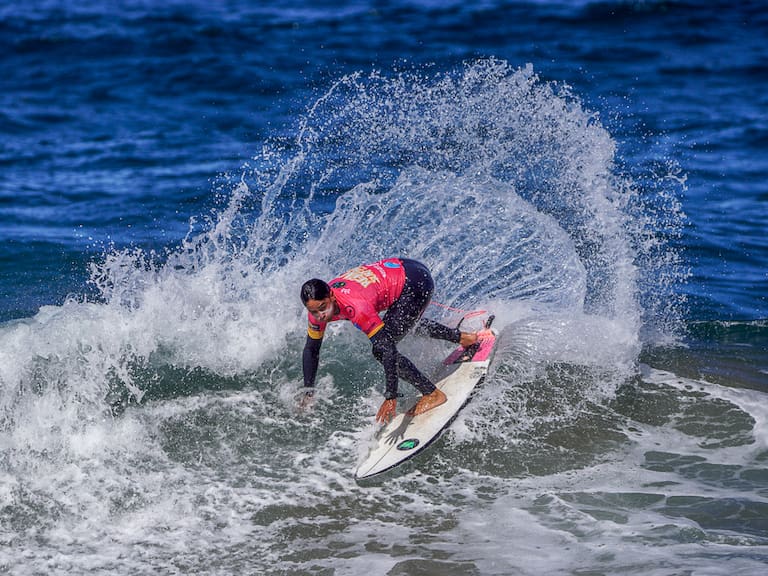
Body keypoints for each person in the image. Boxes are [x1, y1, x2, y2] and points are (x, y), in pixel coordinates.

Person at [300, 257, 480, 424]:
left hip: (415, 283)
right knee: (398, 324)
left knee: (381, 348)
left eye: (322, 308)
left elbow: (388, 350)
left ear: (331, 295)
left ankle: (432, 394)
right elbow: (311, 350)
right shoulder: (317, 313)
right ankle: (463, 338)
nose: (320, 315)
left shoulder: (356, 307)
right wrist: (309, 391)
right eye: (314, 311)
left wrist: (390, 395)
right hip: (405, 268)